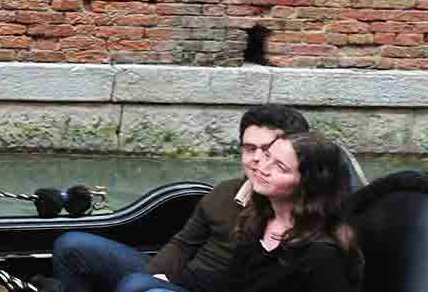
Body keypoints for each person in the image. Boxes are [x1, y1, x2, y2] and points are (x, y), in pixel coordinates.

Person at [43, 105, 311, 292]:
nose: (256, 160)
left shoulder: (303, 214)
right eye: (249, 148)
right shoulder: (224, 193)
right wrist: (153, 278)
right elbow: (183, 245)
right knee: (71, 245)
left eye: (267, 151)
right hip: (182, 280)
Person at [204, 130, 360, 292]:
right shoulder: (256, 218)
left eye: (280, 166)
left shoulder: (321, 255)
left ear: (306, 184)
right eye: (267, 156)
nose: (262, 168)